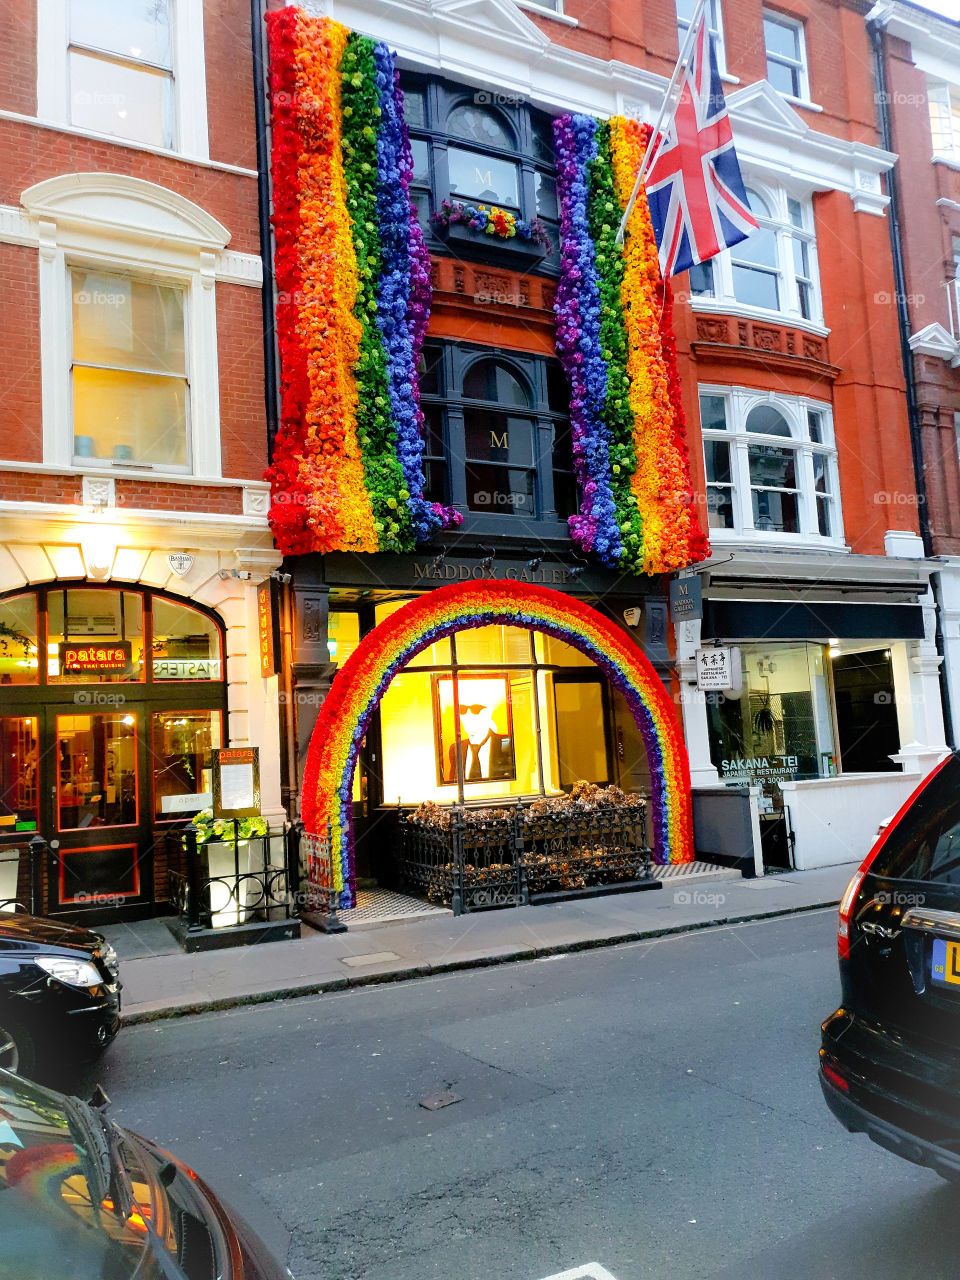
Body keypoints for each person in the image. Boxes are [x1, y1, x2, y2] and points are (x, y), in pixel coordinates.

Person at [447, 699, 514, 783]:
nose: (468, 715)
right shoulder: (456, 749)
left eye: (475, 709)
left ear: (487, 713)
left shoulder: (507, 744)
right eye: (462, 710)